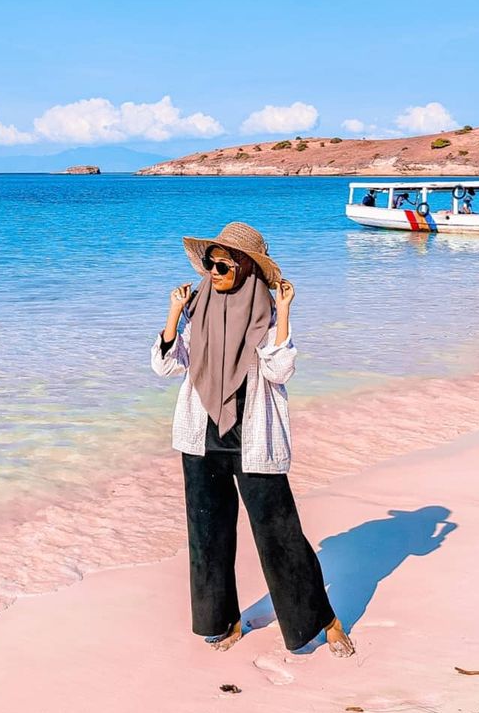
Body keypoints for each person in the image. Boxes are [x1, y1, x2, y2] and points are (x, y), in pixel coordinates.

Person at [151, 221, 354, 659]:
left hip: (253, 435)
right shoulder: (196, 307)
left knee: (279, 532)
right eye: (211, 262)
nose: (214, 270)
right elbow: (168, 367)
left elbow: (279, 372)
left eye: (223, 263)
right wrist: (172, 313)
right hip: (201, 434)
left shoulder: (264, 311)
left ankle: (322, 619)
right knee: (207, 533)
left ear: (245, 266)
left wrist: (284, 314)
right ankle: (224, 620)